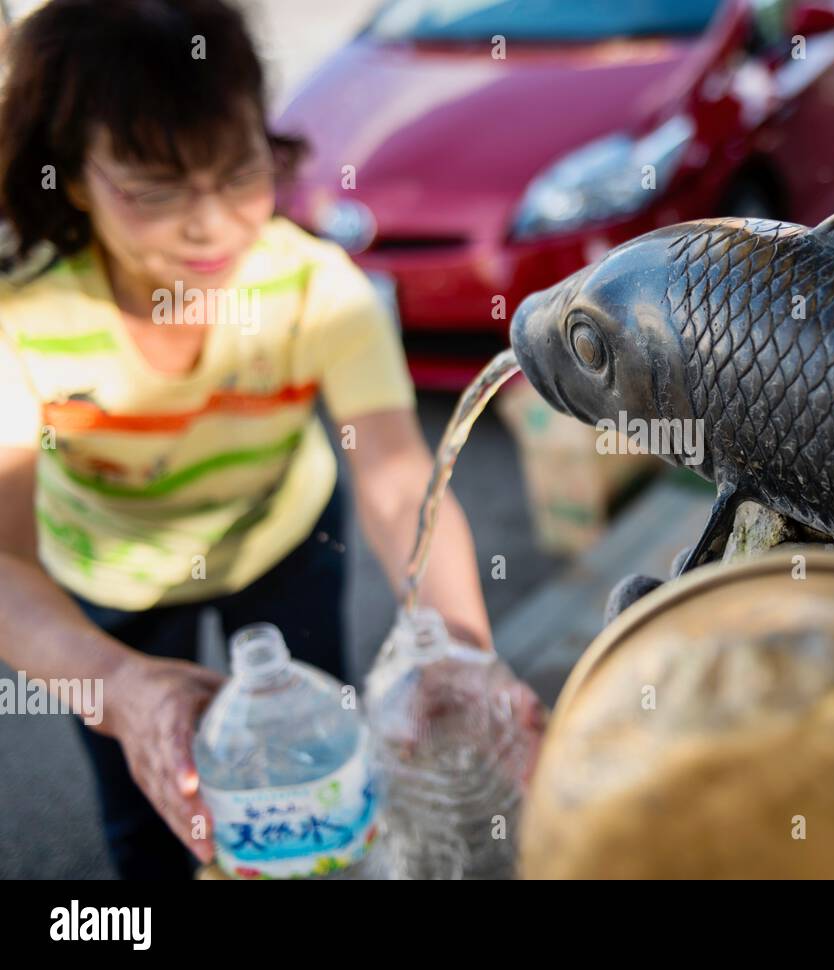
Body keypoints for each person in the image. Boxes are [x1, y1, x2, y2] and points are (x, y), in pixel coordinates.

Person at [0, 0, 505, 878]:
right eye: (154, 190)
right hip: (108, 580)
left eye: (239, 171)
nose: (211, 224)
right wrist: (116, 686)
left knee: (316, 783)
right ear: (76, 180)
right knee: (153, 805)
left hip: (282, 544)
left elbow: (396, 480)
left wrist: (458, 644)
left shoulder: (316, 289)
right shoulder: (24, 321)